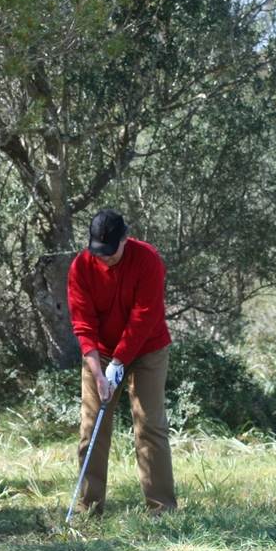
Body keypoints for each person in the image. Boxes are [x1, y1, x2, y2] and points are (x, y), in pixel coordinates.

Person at [67, 208, 177, 515]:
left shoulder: (147, 260)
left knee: (150, 425)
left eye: (110, 252)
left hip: (148, 348)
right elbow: (83, 324)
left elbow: (144, 317)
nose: (104, 259)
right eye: (98, 252)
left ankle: (161, 509)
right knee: (92, 426)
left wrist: (118, 363)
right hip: (99, 353)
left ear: (125, 239)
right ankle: (88, 509)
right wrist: (98, 371)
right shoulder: (81, 267)